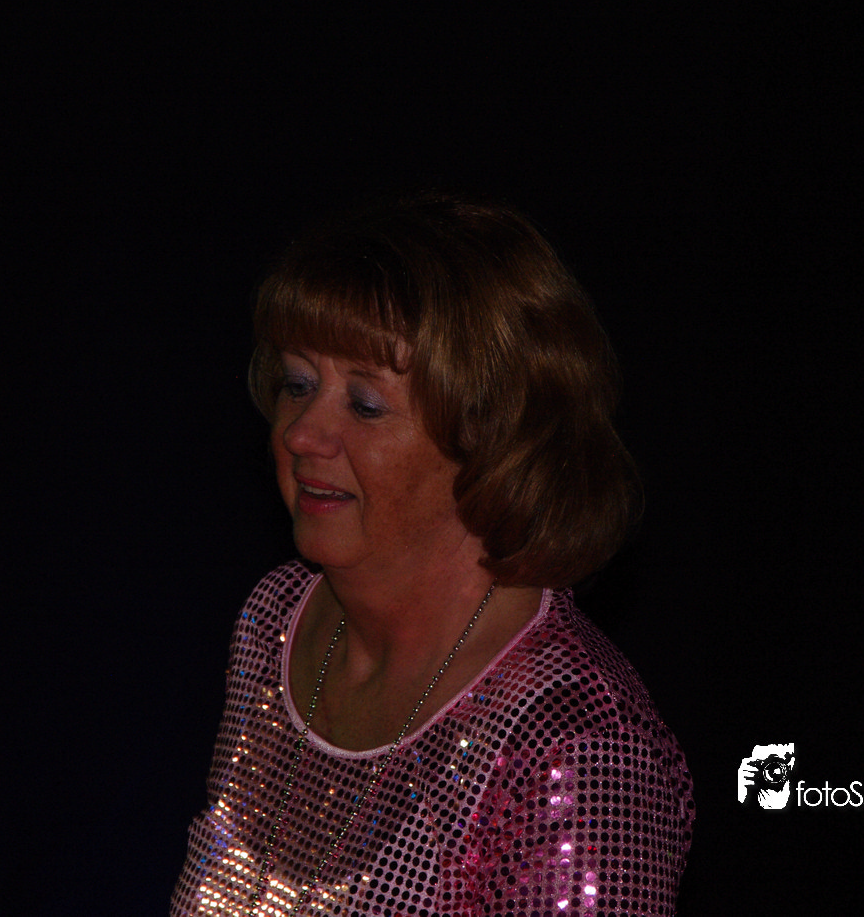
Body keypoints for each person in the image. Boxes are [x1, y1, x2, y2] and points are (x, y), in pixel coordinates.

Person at [170, 193, 694, 916]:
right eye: (298, 384)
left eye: (365, 404)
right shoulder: (276, 619)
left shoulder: (580, 743)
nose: (299, 434)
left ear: (492, 437)